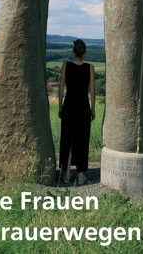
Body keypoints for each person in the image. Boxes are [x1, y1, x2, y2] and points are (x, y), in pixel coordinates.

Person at [58, 39, 95, 184]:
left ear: (74, 51)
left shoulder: (66, 66)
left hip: (69, 106)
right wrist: (93, 108)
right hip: (83, 107)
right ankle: (80, 175)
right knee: (82, 140)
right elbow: (92, 91)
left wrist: (60, 107)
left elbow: (61, 89)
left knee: (68, 139)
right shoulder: (90, 68)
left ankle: (67, 174)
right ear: (84, 52)